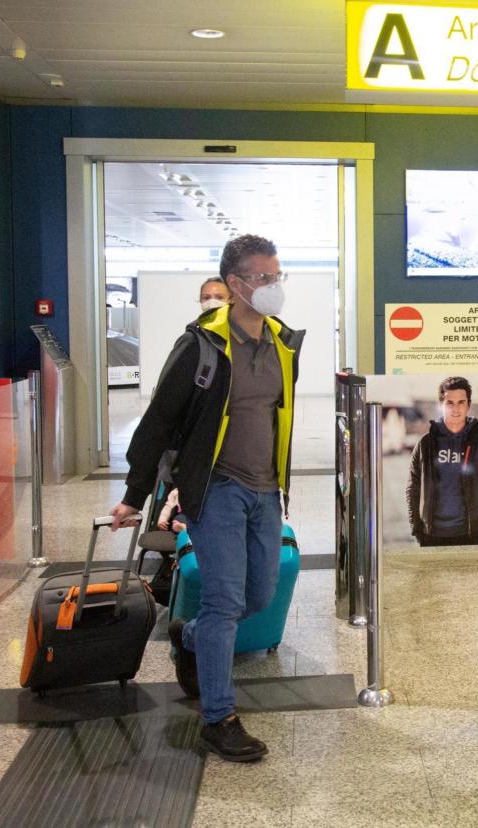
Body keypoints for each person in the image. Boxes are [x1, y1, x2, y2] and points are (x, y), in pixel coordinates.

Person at [110, 234, 303, 763]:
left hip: (264, 490)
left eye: (276, 275)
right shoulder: (201, 346)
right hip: (215, 488)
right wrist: (135, 494)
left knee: (257, 596)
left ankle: (189, 637)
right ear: (236, 284)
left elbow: (275, 417)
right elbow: (157, 422)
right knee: (224, 603)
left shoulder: (283, 342)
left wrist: (282, 483)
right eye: (263, 277)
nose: (273, 286)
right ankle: (219, 718)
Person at [406, 376, 478, 546]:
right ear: (441, 405)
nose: (456, 409)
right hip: (431, 536)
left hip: (471, 536)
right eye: (450, 403)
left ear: (469, 405)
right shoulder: (426, 444)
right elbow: (412, 489)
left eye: (461, 402)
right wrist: (417, 530)